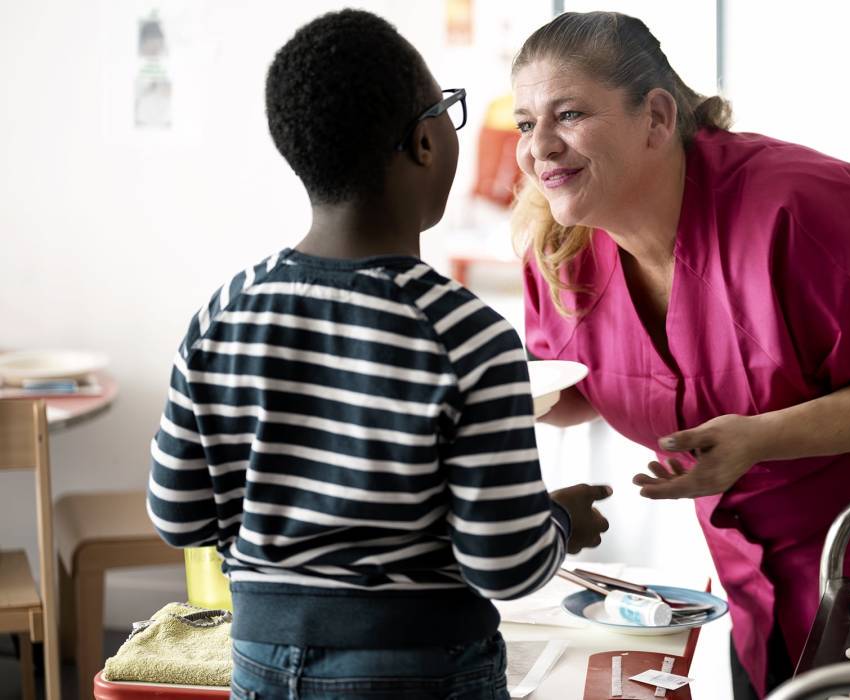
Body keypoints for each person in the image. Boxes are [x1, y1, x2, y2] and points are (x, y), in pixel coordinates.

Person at [510, 11, 850, 699]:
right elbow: (581, 388)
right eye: (526, 123)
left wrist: (758, 439)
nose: (538, 148)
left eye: (569, 114)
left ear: (656, 118)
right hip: (758, 567)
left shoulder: (799, 206)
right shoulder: (562, 248)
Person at [146, 10, 611, 699]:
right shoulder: (463, 334)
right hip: (419, 664)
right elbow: (506, 565)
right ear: (424, 143)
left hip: (262, 656)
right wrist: (561, 522)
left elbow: (177, 515)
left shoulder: (223, 314)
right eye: (447, 113)